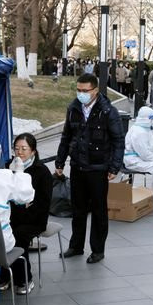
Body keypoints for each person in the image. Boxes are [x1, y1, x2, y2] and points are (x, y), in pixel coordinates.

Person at [55, 73, 125, 264]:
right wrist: (60, 162)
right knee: (77, 209)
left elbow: (119, 141)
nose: (81, 94)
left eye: (85, 91)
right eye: (78, 90)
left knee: (98, 210)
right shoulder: (73, 108)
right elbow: (66, 137)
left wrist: (114, 167)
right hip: (77, 166)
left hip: (98, 168)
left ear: (95, 90)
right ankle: (76, 246)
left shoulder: (108, 111)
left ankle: (98, 250)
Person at [3, 133, 53, 294]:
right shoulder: (7, 167)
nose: (20, 152)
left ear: (33, 151)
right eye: (16, 149)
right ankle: (4, 276)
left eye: (24, 149)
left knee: (18, 236)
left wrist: (23, 208)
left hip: (34, 218)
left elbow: (42, 204)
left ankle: (24, 279)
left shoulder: (42, 172)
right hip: (11, 216)